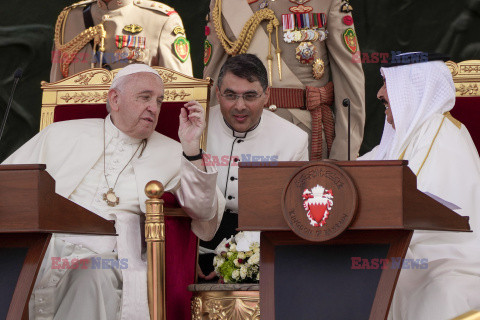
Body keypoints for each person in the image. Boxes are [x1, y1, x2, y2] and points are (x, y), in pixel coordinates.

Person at [2, 64, 224, 319]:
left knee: (91, 275)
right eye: (145, 97)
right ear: (115, 99)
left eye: (159, 101)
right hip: (46, 249)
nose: (154, 107)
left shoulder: (175, 153)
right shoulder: (59, 135)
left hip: (113, 257)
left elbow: (204, 213)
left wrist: (192, 148)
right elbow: (11, 185)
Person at [359, 52, 480, 320]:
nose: (380, 95)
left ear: (412, 91)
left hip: (446, 255)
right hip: (408, 247)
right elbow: (361, 171)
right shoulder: (404, 137)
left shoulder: (443, 136)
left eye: (387, 88)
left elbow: (425, 209)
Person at [203, 0, 365, 160]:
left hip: (303, 133)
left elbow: (350, 82)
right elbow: (213, 81)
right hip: (241, 135)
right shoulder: (226, 3)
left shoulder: (327, 2)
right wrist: (211, 144)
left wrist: (343, 157)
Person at [198, 53, 309, 280]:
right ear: (218, 94)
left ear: (266, 95)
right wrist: (185, 257)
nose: (240, 106)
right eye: (230, 95)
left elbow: (292, 214)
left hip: (259, 253)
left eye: (250, 96)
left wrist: (243, 261)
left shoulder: (293, 140)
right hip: (197, 245)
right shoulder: (197, 129)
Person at [50, 0, 193, 82]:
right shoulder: (70, 18)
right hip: (78, 128)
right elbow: (55, 89)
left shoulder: (161, 19)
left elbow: (180, 91)